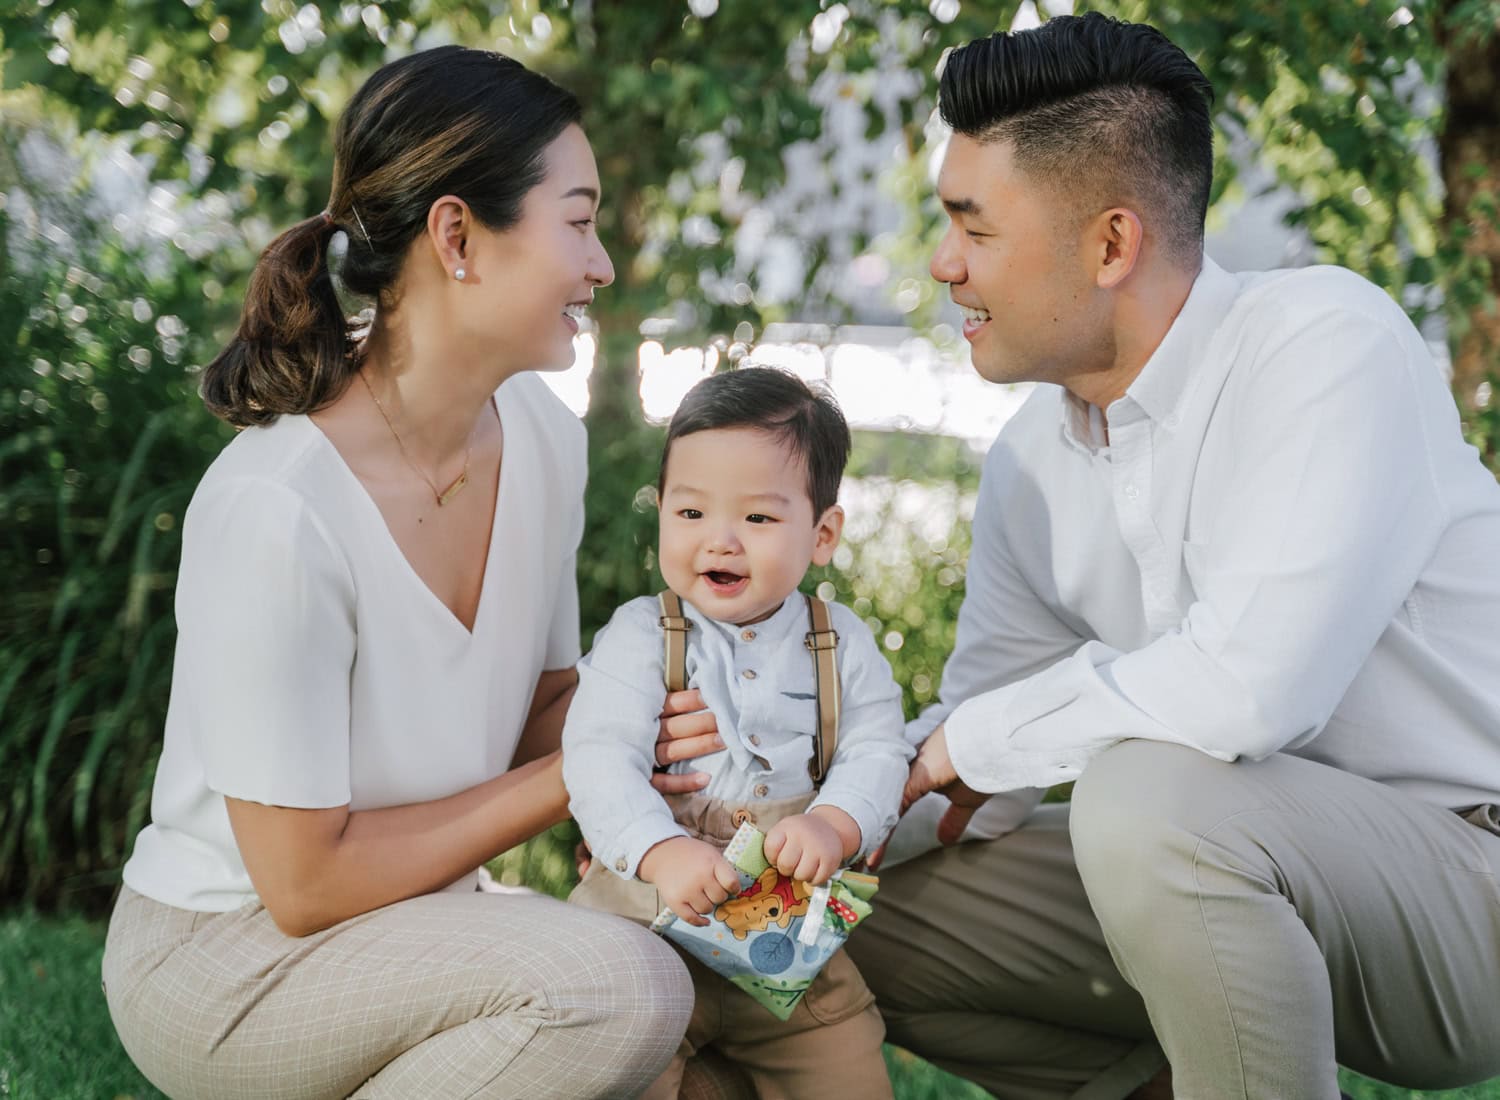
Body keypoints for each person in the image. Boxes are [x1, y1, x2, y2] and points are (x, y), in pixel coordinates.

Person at [841, 12, 1500, 1100]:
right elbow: (973, 784)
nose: (941, 262)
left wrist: (977, 738)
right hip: (1237, 881)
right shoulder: (1029, 463)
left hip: (1468, 889)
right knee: (854, 919)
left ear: (1110, 242)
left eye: (973, 226)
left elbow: (1248, 693)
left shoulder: (1327, 344)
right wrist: (801, 818)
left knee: (1145, 796)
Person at [101, 46, 695, 1099]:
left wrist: (665, 717)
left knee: (652, 1034)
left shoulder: (545, 439)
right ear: (458, 236)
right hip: (226, 955)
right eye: (578, 220)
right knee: (616, 988)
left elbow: (534, 710)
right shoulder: (279, 506)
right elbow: (303, 879)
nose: (601, 263)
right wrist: (582, 769)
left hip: (411, 919)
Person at [563, 367, 912, 1099]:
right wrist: (659, 850)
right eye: (691, 514)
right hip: (643, 924)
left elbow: (879, 749)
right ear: (660, 511)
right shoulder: (641, 635)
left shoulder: (839, 643)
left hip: (784, 930)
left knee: (843, 1049)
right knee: (616, 1055)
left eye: (757, 519)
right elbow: (598, 759)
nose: (720, 541)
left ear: (822, 534)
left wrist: (834, 824)